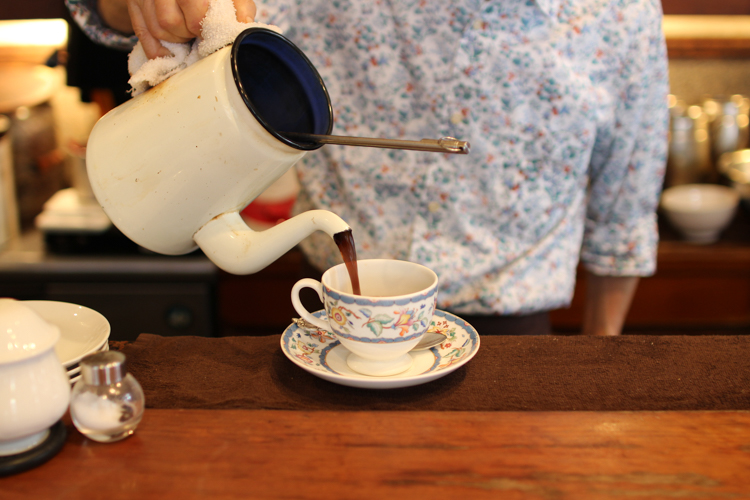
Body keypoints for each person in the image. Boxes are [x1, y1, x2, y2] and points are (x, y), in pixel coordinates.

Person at [67, 0, 669, 336]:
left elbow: (625, 217)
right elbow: (111, 12)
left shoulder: (618, 16)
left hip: (516, 337)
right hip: (334, 316)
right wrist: (147, 6)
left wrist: (598, 365)